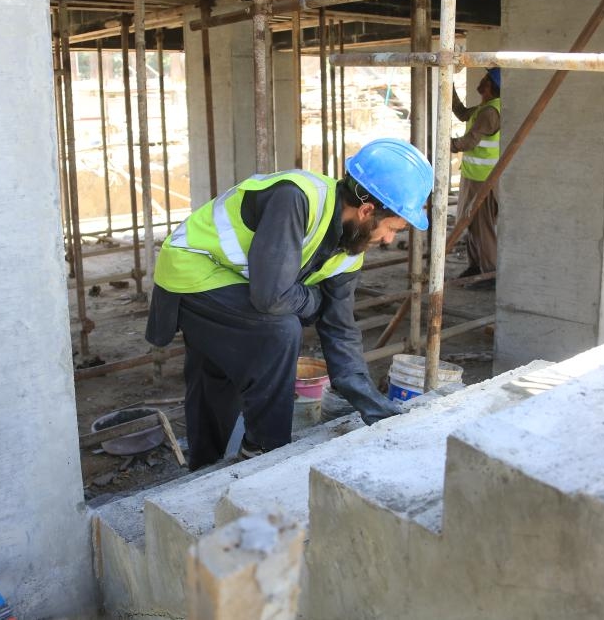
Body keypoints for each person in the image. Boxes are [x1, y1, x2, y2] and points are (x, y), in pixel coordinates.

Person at [145, 138, 434, 469]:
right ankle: (265, 453)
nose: (388, 240)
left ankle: (204, 467)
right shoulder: (296, 199)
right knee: (279, 331)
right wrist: (313, 301)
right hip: (194, 270)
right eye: (391, 229)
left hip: (231, 282)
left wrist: (368, 400)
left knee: (217, 372)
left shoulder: (350, 249)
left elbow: (340, 327)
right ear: (367, 210)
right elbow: (271, 297)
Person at [450, 68, 501, 289]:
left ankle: (490, 274)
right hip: (474, 176)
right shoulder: (484, 109)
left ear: (492, 85)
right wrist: (447, 85)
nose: (481, 81)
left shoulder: (490, 112)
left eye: (486, 79)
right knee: (470, 222)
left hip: (484, 179)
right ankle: (476, 265)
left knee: (482, 225)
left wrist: (447, 144)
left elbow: (469, 142)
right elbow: (462, 113)